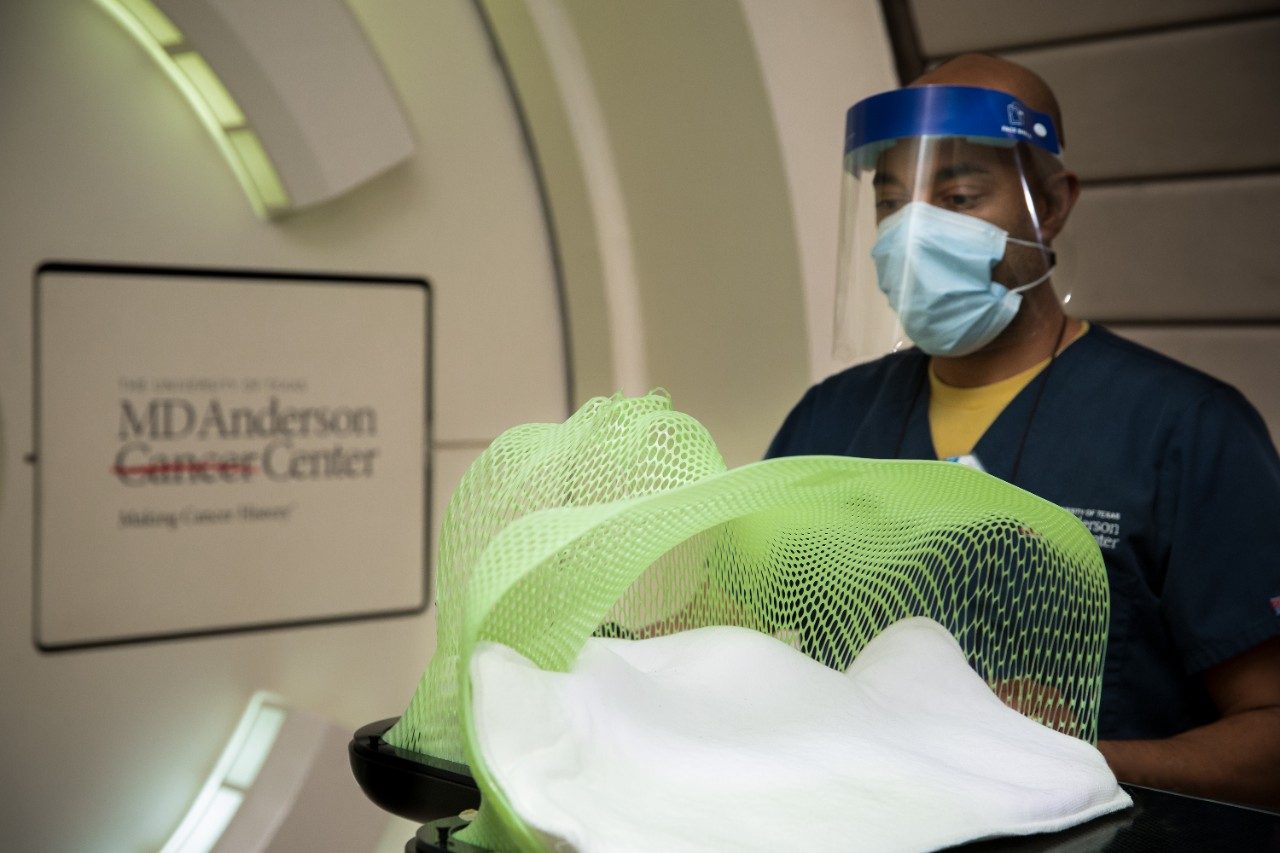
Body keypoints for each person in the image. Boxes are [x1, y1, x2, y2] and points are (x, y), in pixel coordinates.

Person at [766, 53, 1280, 810]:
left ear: (1053, 203)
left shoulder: (1186, 430)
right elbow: (746, 641)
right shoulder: (829, 418)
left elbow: (1269, 737)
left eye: (958, 196)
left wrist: (1067, 759)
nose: (913, 234)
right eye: (892, 204)